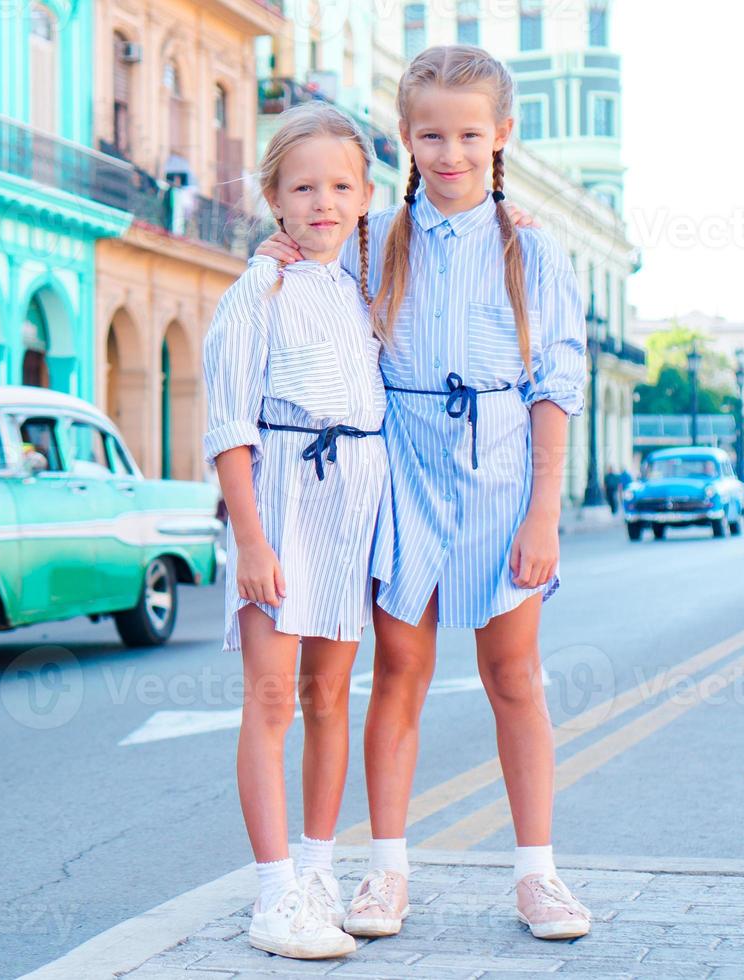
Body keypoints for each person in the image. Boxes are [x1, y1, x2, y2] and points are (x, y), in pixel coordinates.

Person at [258, 45, 592, 941]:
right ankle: (386, 874)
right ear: (404, 138)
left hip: (501, 473)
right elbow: (315, 286)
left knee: (513, 675)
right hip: (402, 471)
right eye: (431, 134)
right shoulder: (375, 240)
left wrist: (543, 512)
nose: (451, 152)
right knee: (399, 670)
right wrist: (283, 248)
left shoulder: (531, 246)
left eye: (469, 134)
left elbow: (556, 385)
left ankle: (539, 876)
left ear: (500, 136)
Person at [203, 101, 392, 961]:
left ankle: (319, 870)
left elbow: (453, 228)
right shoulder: (258, 291)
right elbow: (228, 426)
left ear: (365, 196)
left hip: (350, 505)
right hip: (280, 496)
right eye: (304, 186)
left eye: (341, 186)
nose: (324, 201)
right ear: (274, 198)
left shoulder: (360, 287)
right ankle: (275, 892)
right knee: (273, 700)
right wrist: (251, 540)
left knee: (329, 699)